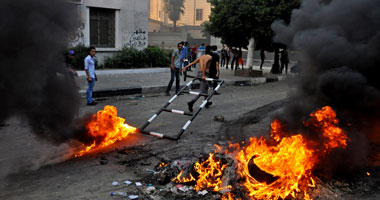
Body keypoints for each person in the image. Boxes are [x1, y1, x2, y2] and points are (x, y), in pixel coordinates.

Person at [181, 46, 213, 112]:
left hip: (199, 73)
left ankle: (206, 102)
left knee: (206, 88)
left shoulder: (201, 57)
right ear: (210, 50)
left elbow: (193, 63)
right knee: (201, 91)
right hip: (204, 73)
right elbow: (204, 64)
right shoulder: (209, 57)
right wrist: (204, 75)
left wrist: (185, 67)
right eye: (212, 50)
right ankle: (191, 102)